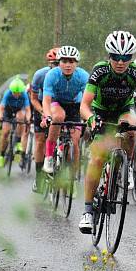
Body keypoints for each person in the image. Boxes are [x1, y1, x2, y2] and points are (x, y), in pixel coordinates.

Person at [78, 31, 136, 233]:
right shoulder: (99, 71)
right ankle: (88, 211)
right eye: (116, 57)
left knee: (131, 129)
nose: (120, 62)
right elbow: (84, 105)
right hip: (101, 113)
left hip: (124, 111)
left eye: (126, 58)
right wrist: (91, 118)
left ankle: (127, 165)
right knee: (97, 159)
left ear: (131, 58)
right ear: (109, 56)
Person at [41, 46, 89, 175]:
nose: (68, 65)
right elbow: (46, 100)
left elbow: (88, 100)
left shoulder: (83, 76)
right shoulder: (52, 75)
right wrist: (47, 116)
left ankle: (72, 178)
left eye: (71, 62)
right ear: (59, 62)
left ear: (76, 63)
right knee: (58, 117)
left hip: (75, 105)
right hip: (57, 103)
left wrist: (89, 117)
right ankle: (49, 157)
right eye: (64, 61)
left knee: (75, 142)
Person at [29, 47, 59, 191]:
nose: (56, 67)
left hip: (61, 106)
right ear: (49, 64)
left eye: (59, 63)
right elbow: (33, 99)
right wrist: (42, 112)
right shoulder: (40, 75)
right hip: (42, 105)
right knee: (40, 140)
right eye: (53, 64)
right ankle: (39, 177)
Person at [0, 77, 31, 167]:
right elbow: (1, 108)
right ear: (11, 90)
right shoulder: (7, 93)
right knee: (5, 133)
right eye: (14, 92)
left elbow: (27, 109)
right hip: (8, 111)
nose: (16, 94)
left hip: (19, 110)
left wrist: (28, 119)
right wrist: (0, 117)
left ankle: (18, 141)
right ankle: (2, 156)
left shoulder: (24, 94)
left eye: (18, 92)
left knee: (21, 117)